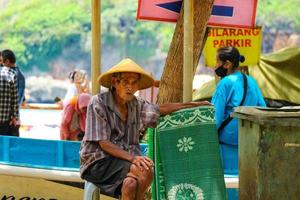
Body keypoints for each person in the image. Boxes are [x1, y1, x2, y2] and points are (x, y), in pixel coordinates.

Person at [80, 58, 211, 199]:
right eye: (125, 82)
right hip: (98, 161)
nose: (130, 87)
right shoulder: (98, 102)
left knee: (131, 184)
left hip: (124, 162)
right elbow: (103, 143)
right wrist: (133, 158)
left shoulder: (136, 104)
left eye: (134, 82)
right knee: (143, 169)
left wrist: (191, 105)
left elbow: (160, 109)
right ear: (115, 82)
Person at [211, 46, 266, 171]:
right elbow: (263, 108)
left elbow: (216, 118)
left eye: (217, 62)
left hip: (227, 144)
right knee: (245, 182)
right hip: (249, 142)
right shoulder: (251, 81)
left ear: (227, 64)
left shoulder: (225, 83)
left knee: (229, 183)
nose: (215, 66)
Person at [0, 50, 19, 136]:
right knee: (4, 145)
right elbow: (14, 100)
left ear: (6, 61)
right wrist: (15, 117)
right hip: (5, 121)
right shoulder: (12, 75)